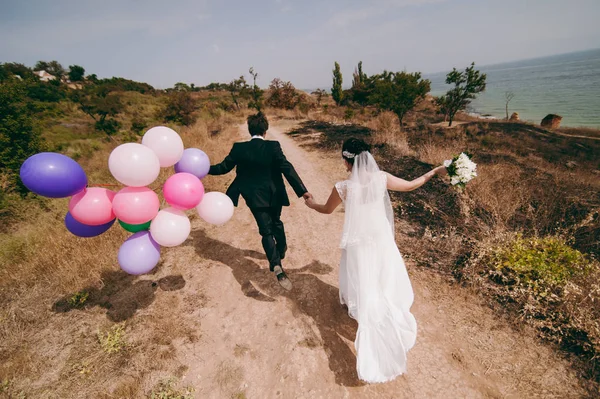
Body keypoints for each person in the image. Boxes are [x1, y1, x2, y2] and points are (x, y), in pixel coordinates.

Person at [304, 138, 447, 383]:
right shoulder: (382, 178)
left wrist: (310, 203)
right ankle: (383, 307)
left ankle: (365, 312)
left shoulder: (344, 187)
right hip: (380, 238)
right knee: (382, 275)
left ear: (346, 160)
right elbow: (412, 185)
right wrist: (435, 170)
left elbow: (326, 210)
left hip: (359, 241)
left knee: (361, 276)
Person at [209, 112, 312, 290]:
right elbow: (287, 168)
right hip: (274, 194)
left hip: (253, 197)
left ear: (249, 130)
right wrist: (303, 191)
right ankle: (282, 248)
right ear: (265, 130)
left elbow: (222, 168)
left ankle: (276, 263)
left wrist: (201, 169)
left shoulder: (239, 148)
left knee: (265, 231)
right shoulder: (273, 146)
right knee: (277, 221)